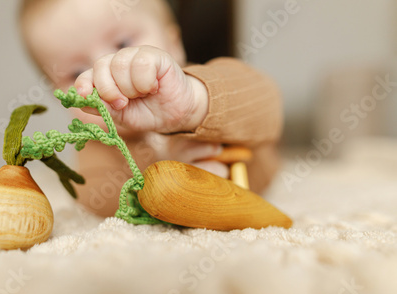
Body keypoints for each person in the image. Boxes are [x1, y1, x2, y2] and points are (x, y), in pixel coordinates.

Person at [20, 0, 283, 217]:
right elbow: (94, 197)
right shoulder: (98, 143)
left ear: (173, 44)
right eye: (77, 72)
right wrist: (164, 181)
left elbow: (267, 105)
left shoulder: (203, 80)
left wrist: (194, 102)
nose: (104, 73)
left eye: (122, 44)